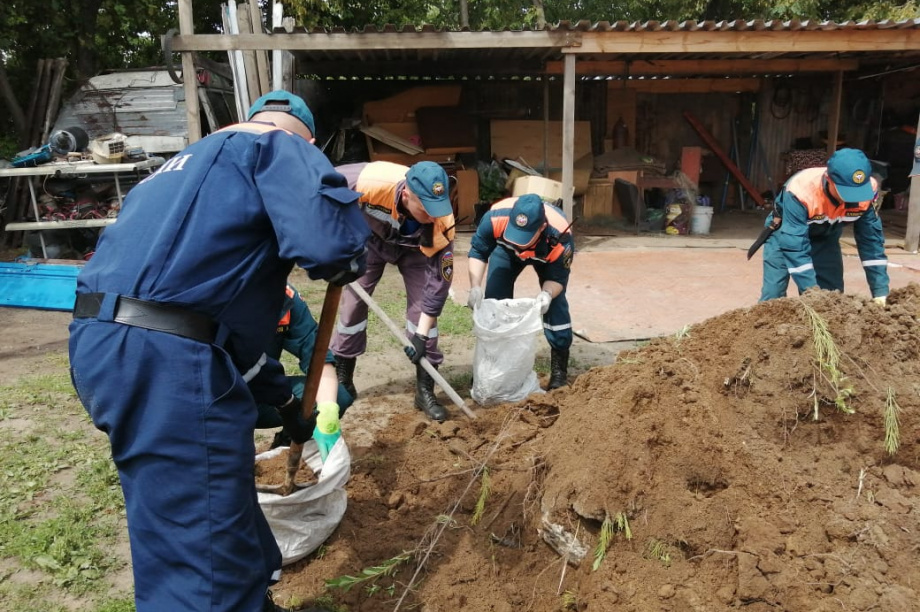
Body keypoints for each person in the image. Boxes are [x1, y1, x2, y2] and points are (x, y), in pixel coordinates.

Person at [68, 90, 370, 612]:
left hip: (107, 343)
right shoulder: (277, 147)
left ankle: (254, 595)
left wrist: (282, 404)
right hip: (165, 356)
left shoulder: (176, 168)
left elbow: (219, 332)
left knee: (195, 502)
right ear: (308, 139)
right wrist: (347, 251)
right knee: (200, 559)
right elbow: (328, 246)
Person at [329, 160, 456, 423]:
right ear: (407, 194)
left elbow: (438, 283)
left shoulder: (442, 219)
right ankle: (344, 379)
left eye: (437, 207)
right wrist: (333, 249)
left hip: (416, 252)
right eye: (425, 208)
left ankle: (425, 390)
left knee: (423, 315)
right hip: (371, 242)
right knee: (352, 306)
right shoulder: (366, 182)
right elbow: (321, 193)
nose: (433, 214)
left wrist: (420, 337)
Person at [466, 193, 575, 390]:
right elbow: (478, 252)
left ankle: (559, 371)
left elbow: (558, 279)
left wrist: (547, 294)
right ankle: (490, 370)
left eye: (524, 237)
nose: (519, 243)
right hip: (505, 252)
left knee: (555, 306)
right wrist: (474, 286)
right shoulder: (494, 218)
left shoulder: (561, 236)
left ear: (541, 228)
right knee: (494, 300)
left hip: (546, 255)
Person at [757, 148, 889, 304]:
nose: (851, 199)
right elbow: (795, 246)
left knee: (831, 297)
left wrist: (880, 291)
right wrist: (812, 293)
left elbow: (871, 241)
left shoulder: (868, 190)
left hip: (826, 238)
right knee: (773, 297)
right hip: (786, 233)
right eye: (845, 191)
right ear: (829, 178)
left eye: (857, 191)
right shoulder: (800, 190)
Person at [255, 284, 354, 450]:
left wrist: (328, 411)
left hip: (261, 393)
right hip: (214, 400)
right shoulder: (213, 295)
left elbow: (316, 354)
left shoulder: (284, 296)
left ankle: (288, 443)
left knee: (335, 397)